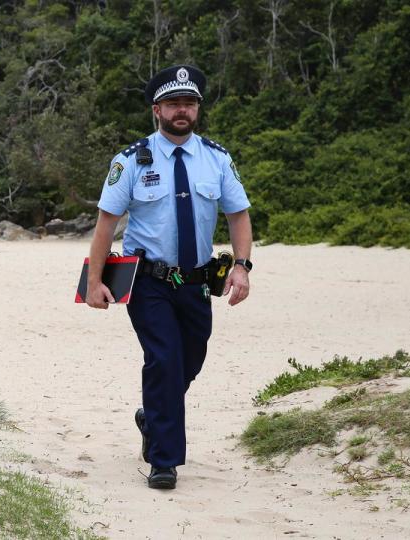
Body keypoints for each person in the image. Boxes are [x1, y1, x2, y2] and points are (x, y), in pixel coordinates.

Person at [85, 65, 253, 490]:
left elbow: (238, 215)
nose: (183, 110)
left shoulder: (217, 158)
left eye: (190, 104)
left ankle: (152, 417)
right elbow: (107, 223)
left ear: (197, 109)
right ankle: (165, 461)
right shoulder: (131, 160)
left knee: (190, 359)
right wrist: (93, 281)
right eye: (174, 103)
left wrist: (241, 267)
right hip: (148, 281)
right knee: (163, 359)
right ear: (157, 109)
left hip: (197, 283)